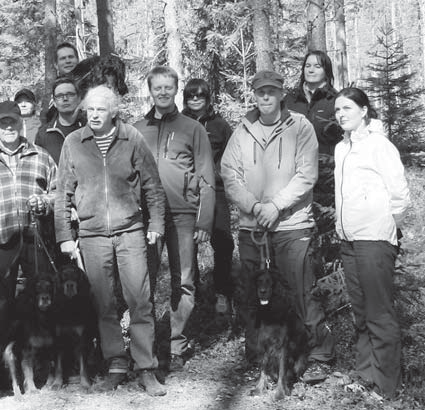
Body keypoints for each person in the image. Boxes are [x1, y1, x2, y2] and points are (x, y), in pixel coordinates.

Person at [54, 85, 167, 396]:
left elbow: (153, 185)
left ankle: (145, 367)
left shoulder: (132, 138)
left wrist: (156, 222)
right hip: (91, 235)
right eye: (89, 110)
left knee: (139, 300)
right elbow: (62, 192)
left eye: (100, 110)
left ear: (113, 112)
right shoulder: (74, 143)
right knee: (103, 303)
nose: (94, 115)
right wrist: (65, 235)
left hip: (130, 230)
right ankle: (116, 363)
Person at [219, 70, 327, 382]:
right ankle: (257, 358)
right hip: (253, 228)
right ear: (253, 94)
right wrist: (255, 207)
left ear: (282, 94)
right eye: (260, 92)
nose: (265, 97)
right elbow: (229, 174)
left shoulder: (300, 126)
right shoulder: (242, 131)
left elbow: (307, 174)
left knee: (300, 293)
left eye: (271, 91)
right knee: (253, 297)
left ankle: (314, 356)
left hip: (292, 225)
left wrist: (276, 205)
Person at [133, 66, 215, 372]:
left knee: (184, 281)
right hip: (146, 218)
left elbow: (206, 175)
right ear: (150, 91)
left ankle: (177, 344)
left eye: (169, 87)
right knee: (144, 281)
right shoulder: (136, 129)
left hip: (183, 214)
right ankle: (148, 346)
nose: (163, 92)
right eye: (158, 88)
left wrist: (204, 220)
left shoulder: (193, 128)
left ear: (176, 90)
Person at [332, 87, 410, 398]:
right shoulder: (342, 148)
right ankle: (365, 375)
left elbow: (400, 194)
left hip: (374, 239)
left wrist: (386, 225)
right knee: (361, 311)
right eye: (338, 109)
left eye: (348, 108)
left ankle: (388, 386)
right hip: (349, 240)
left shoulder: (380, 146)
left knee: (379, 312)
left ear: (364, 110)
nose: (341, 114)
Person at [0, 101, 57, 299]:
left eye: (12, 122)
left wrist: (45, 202)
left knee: (41, 302)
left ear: (21, 123)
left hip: (36, 240)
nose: (8, 127)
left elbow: (58, 193)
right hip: (1, 241)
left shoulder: (41, 156)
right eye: (3, 123)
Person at [182, 78, 234, 317]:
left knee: (222, 243)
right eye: (191, 95)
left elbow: (231, 158)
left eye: (200, 95)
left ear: (207, 98)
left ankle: (223, 292)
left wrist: (220, 177)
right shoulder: (178, 123)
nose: (195, 100)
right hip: (186, 193)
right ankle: (193, 293)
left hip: (216, 191)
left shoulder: (219, 125)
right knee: (186, 247)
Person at [285, 50, 343, 208]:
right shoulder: (290, 100)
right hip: (294, 177)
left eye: (317, 66)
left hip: (328, 178)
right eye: (307, 66)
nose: (311, 70)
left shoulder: (336, 100)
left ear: (326, 71)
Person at [35, 77, 85, 164]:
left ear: (79, 98)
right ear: (54, 102)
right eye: (59, 96)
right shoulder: (44, 134)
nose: (65, 99)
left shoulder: (90, 128)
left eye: (70, 94)